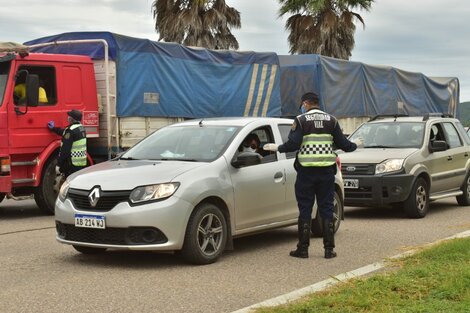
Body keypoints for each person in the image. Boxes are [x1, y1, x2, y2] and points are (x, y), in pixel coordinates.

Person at [264, 92, 358, 259]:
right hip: (326, 172)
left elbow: (293, 144)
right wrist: (355, 145)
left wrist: (277, 148)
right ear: (317, 103)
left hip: (306, 172)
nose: (302, 107)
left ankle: (303, 249)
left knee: (305, 209)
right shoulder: (332, 120)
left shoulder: (300, 120)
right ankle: (329, 250)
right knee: (327, 209)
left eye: (302, 104)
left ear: (306, 104)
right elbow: (344, 144)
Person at [47, 110, 87, 177]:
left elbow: (65, 150)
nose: (68, 117)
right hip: (81, 161)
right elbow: (63, 132)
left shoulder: (70, 130)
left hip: (72, 162)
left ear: (72, 119)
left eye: (69, 116)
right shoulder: (81, 128)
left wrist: (59, 164)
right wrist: (54, 128)